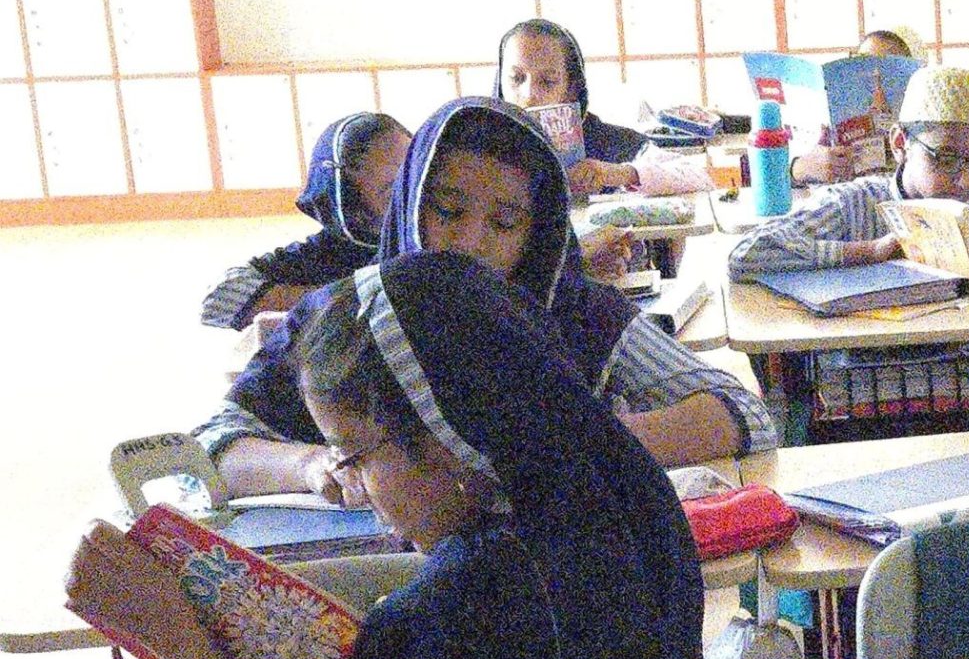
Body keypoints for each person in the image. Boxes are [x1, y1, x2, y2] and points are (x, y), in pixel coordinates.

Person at [69, 251, 702, 659]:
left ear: (443, 436)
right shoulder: (625, 495)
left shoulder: (473, 599)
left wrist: (173, 635)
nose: (355, 485)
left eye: (354, 456)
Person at [199, 97, 775, 499]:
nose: (470, 243)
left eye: (503, 223)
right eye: (448, 211)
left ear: (535, 236)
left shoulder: (576, 315)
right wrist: (310, 465)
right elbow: (211, 448)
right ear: (409, 204)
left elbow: (745, 413)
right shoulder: (345, 318)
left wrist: (576, 443)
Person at [728, 64, 969, 285]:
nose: (967, 180)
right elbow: (745, 255)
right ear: (900, 144)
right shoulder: (853, 205)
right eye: (947, 159)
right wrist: (868, 251)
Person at [199, 112, 410, 330]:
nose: (413, 195)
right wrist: (353, 297)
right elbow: (219, 301)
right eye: (391, 190)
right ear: (353, 210)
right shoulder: (331, 254)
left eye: (415, 176)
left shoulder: (427, 235)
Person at [494, 17, 705, 199]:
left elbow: (698, 175)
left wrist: (619, 173)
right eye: (516, 78)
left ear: (572, 89)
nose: (529, 94)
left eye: (548, 81)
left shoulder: (606, 141)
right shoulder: (483, 145)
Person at [791, 23, 923, 187]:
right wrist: (801, 168)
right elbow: (774, 175)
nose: (876, 71)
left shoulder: (924, 121)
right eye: (865, 62)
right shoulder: (831, 121)